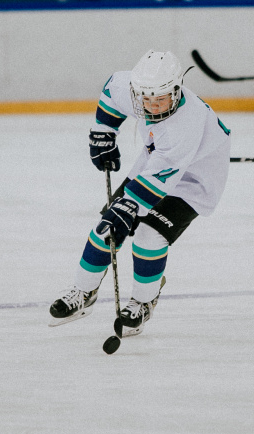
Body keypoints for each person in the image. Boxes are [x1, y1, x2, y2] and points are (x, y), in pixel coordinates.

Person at [49, 51, 231, 334]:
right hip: (156, 163)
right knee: (108, 226)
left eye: (161, 99)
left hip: (194, 179)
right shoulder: (137, 89)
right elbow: (111, 89)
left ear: (176, 90)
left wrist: (130, 205)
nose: (153, 106)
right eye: (147, 99)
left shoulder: (186, 123)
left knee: (149, 235)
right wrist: (104, 131)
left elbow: (161, 177)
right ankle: (83, 292)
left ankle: (144, 302)